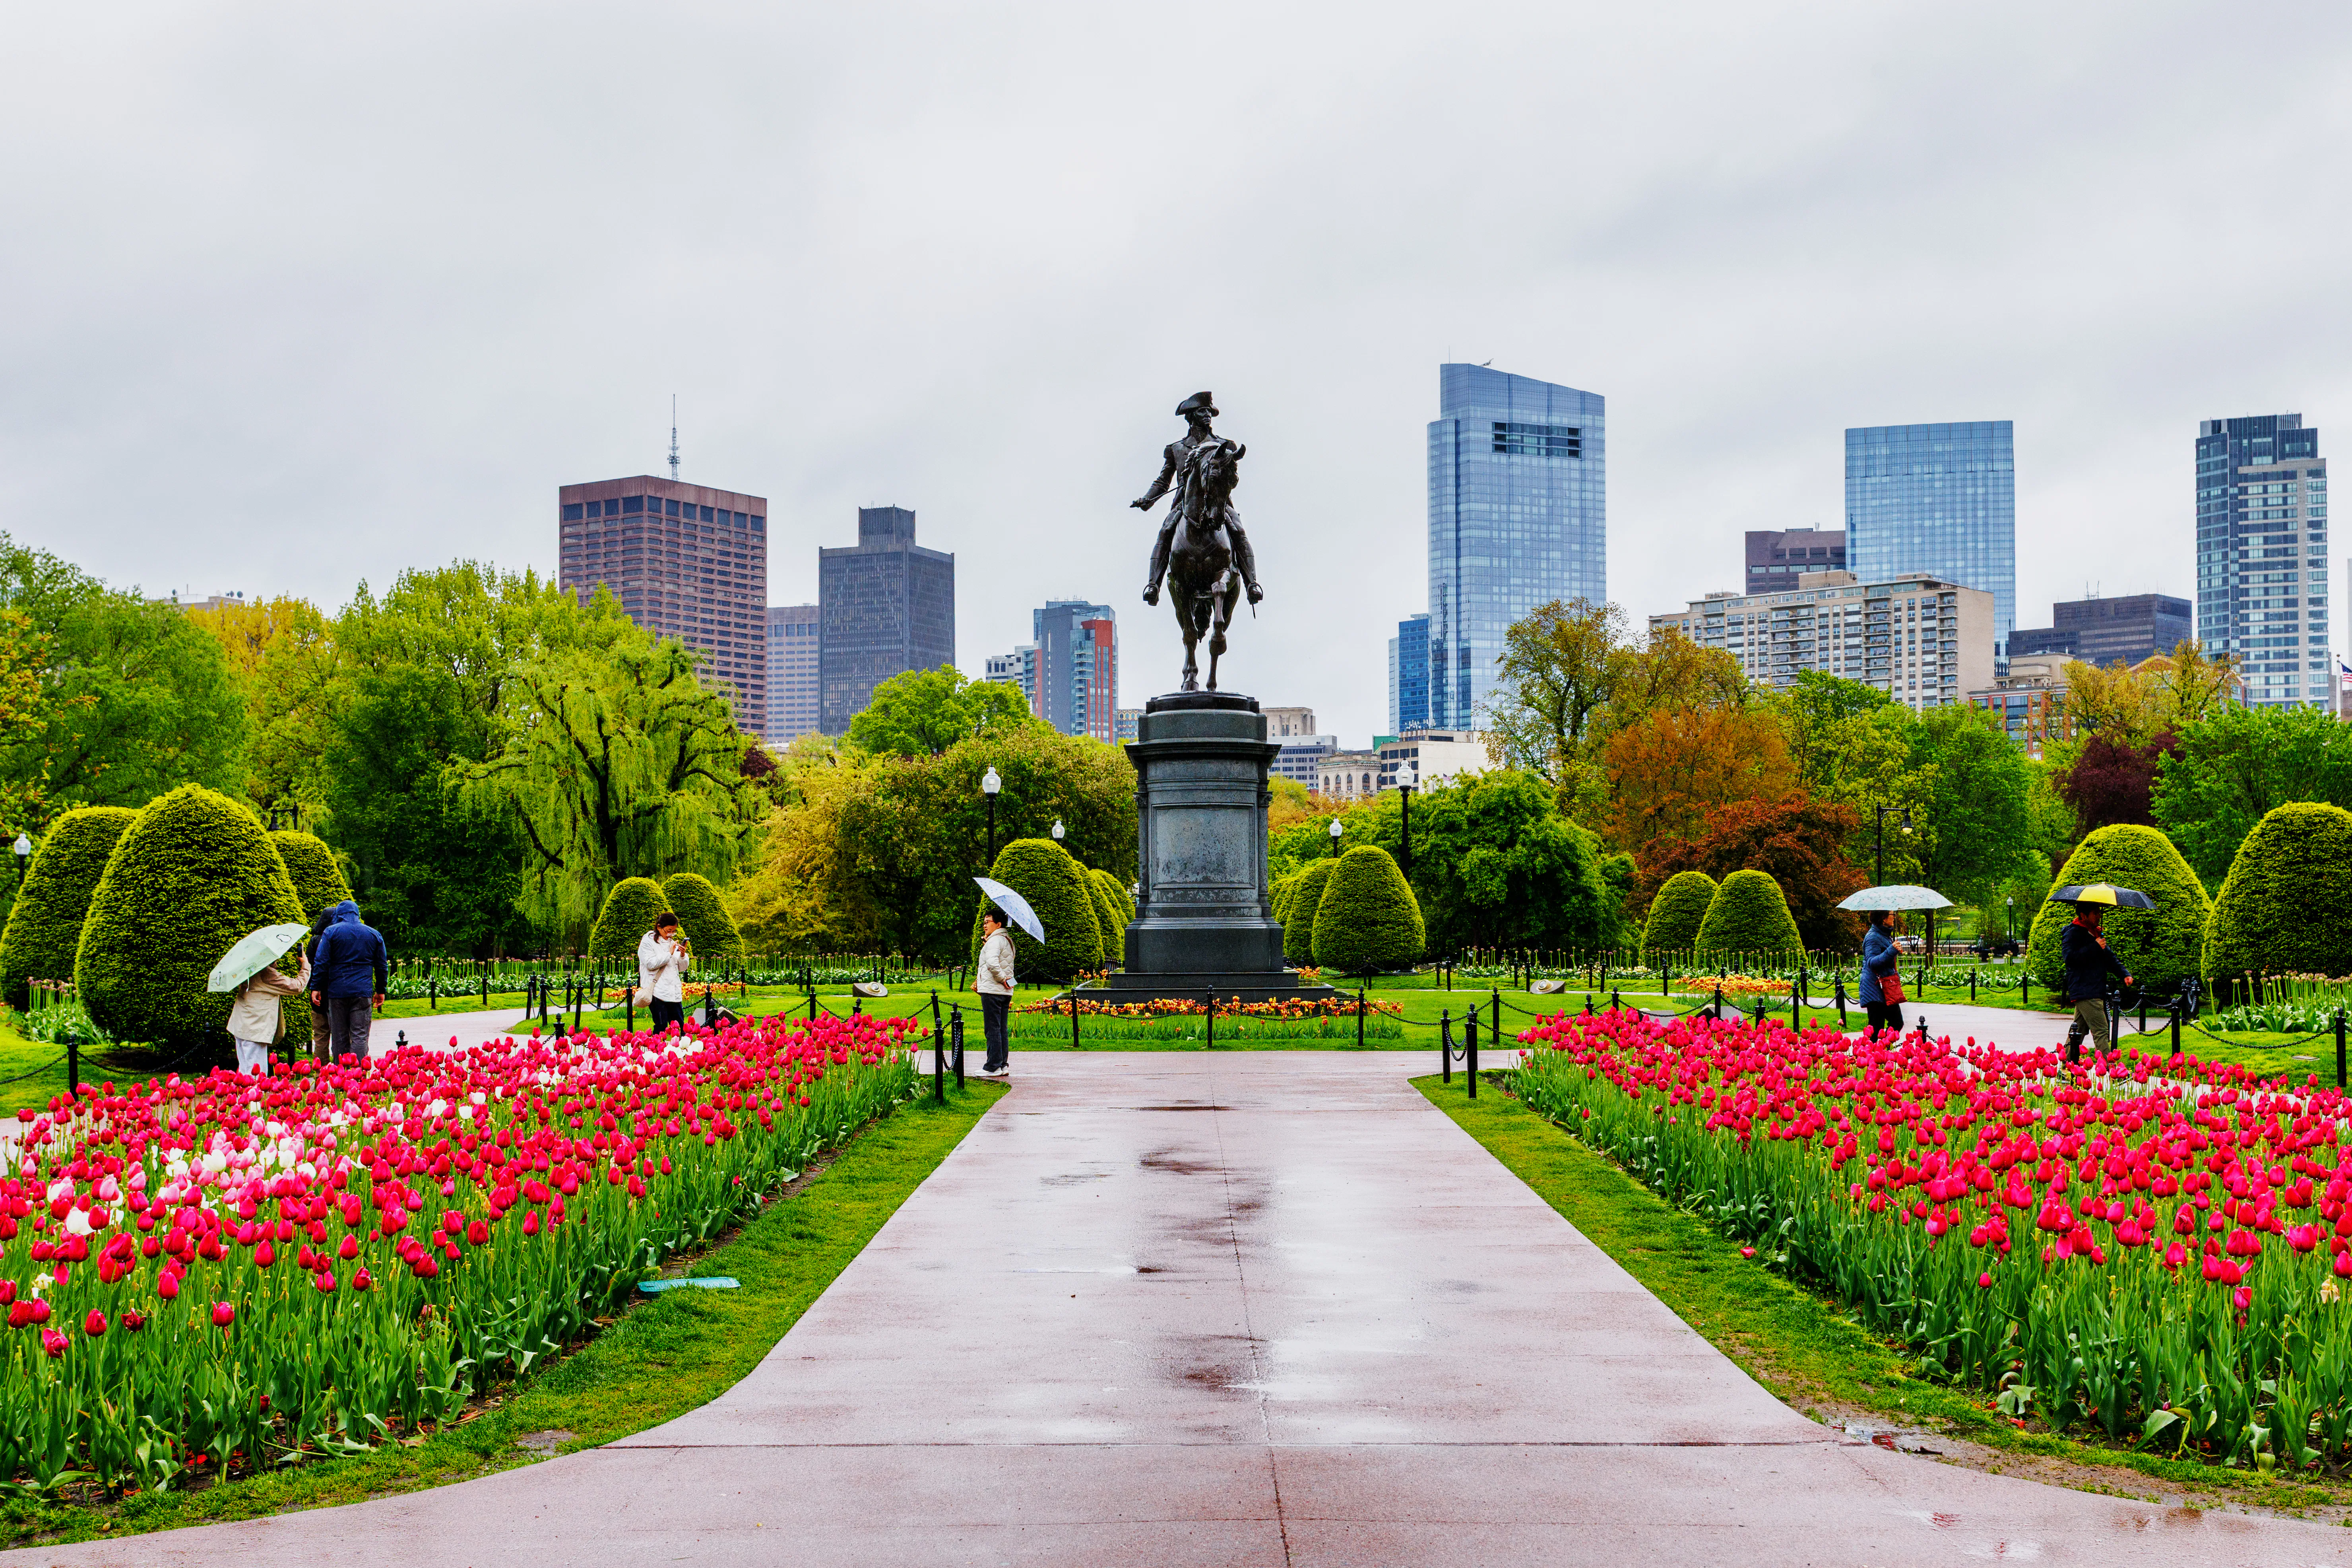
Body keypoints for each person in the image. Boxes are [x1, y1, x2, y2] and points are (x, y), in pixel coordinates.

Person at [1134, 390, 1263, 606]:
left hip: (1218, 503)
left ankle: (1252, 584)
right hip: (1185, 504)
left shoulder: (1225, 446)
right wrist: (1148, 499)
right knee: (1165, 532)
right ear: (1191, 416)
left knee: (1239, 532)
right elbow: (1163, 481)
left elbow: (1232, 477)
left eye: (1209, 412)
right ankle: (1153, 585)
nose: (1208, 416)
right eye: (1203, 411)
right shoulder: (1176, 449)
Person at [308, 899, 388, 1062]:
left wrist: (316, 986)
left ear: (339, 915)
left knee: (339, 1036)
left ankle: (341, 1075)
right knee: (360, 1035)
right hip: (362, 991)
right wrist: (381, 990)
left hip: (337, 992)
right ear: (357, 914)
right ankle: (358, 1076)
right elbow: (382, 966)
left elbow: (321, 962)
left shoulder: (331, 932)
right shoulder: (374, 934)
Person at [2061, 903, 2135, 1064]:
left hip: (2094, 989)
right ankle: (2113, 1070)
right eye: (2095, 913)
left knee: (2077, 1032)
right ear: (2083, 915)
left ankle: (2065, 1067)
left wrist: (2125, 974)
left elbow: (2110, 959)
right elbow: (2070, 959)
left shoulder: (2096, 934)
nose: (2099, 916)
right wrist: (2094, 947)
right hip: (2085, 990)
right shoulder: (2072, 934)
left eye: (2099, 913)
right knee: (2101, 1030)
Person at [227, 955, 307, 1076]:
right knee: (256, 1078)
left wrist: (272, 963)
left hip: (241, 1025)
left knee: (245, 1075)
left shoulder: (247, 967)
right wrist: (306, 966)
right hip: (255, 1029)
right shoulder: (265, 973)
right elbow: (298, 987)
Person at [975, 904, 1015, 1075]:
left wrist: (1002, 979)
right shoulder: (1007, 940)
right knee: (1001, 1029)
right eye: (984, 922)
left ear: (998, 924)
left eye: (988, 922)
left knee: (992, 1029)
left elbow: (992, 964)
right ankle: (1002, 1065)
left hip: (993, 990)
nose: (985, 925)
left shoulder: (995, 941)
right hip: (1005, 992)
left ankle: (993, 1067)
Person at [638, 913, 690, 1033]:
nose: (671, 934)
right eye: (668, 931)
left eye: (674, 931)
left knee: (679, 1027)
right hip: (657, 991)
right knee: (661, 1026)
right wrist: (669, 954)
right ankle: (656, 1050)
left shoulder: (671, 943)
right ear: (659, 927)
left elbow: (681, 968)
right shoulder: (648, 941)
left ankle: (680, 1051)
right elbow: (650, 964)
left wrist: (682, 955)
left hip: (673, 991)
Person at [1859, 910, 1904, 1036]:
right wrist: (1891, 951)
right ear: (1884, 919)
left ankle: (1882, 1052)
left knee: (1897, 1023)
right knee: (1876, 1028)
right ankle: (1873, 1054)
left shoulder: (1885, 935)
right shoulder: (1873, 937)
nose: (1894, 917)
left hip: (1886, 988)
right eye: (1892, 915)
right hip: (1874, 989)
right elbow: (1872, 962)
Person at [300, 907, 334, 1057]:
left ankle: (320, 1072)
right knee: (343, 1036)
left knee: (321, 1036)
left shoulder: (315, 941)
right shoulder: (340, 938)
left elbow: (310, 966)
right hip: (337, 993)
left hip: (318, 994)